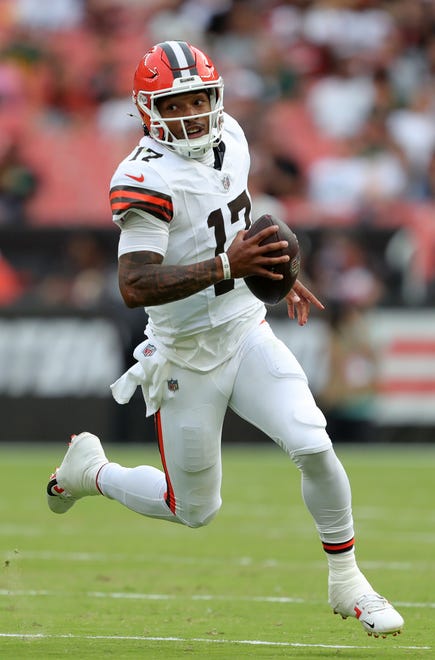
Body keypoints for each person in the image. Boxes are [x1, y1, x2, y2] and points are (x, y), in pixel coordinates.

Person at [46, 41, 404, 638]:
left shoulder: (231, 136)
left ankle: (349, 581)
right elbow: (133, 284)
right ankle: (93, 472)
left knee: (313, 443)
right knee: (194, 511)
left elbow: (234, 215)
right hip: (185, 351)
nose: (191, 112)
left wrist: (277, 271)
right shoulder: (143, 176)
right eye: (175, 102)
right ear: (147, 109)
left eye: (200, 98)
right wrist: (226, 267)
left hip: (244, 327)